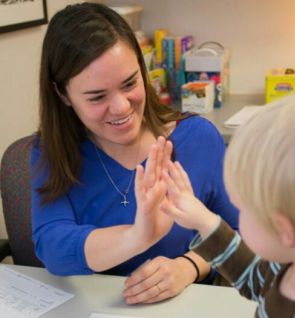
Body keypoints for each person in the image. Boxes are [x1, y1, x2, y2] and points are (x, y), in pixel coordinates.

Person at [30, 2, 238, 305]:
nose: (122, 107)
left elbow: (239, 231)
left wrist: (188, 266)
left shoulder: (199, 139)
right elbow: (52, 247)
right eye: (97, 96)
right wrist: (137, 237)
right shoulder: (51, 151)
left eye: (129, 83)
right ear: (62, 94)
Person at [161, 94, 295, 317]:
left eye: (243, 209)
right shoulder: (294, 263)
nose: (238, 215)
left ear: (284, 230)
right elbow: (254, 278)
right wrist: (204, 220)